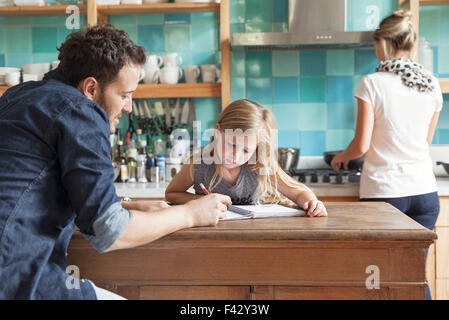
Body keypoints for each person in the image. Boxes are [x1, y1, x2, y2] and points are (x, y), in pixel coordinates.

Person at [0, 24, 231, 300]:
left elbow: (31, 192)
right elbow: (109, 232)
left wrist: (124, 205)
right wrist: (191, 214)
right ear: (91, 88)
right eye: (124, 95)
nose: (129, 106)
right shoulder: (81, 110)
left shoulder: (18, 95)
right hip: (15, 278)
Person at [330, 11, 443, 299]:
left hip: (386, 194)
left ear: (383, 44)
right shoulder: (431, 84)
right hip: (425, 194)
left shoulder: (373, 83)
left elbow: (360, 146)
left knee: (376, 279)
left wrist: (341, 157)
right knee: (415, 277)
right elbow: (425, 142)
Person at [165, 99, 328, 217]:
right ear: (217, 132)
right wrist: (201, 201)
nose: (235, 155)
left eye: (245, 150)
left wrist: (312, 203)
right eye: (231, 144)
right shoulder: (199, 165)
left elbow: (299, 193)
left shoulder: (258, 164)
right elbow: (172, 193)